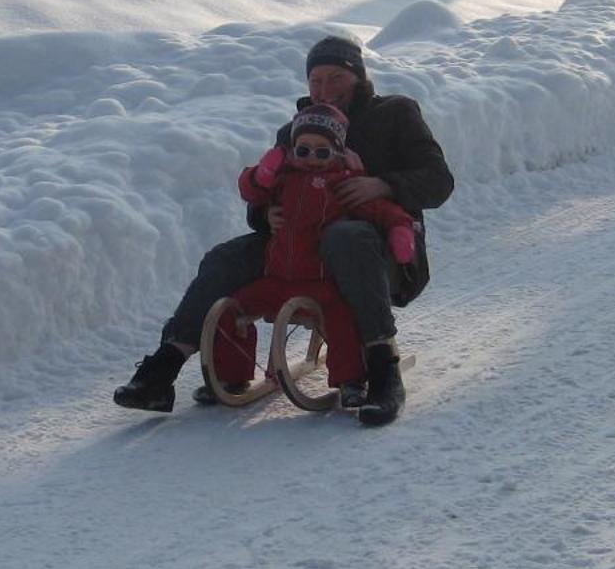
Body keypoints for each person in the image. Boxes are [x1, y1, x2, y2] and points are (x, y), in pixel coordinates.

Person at [113, 34, 455, 425]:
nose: (324, 89)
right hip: (300, 249)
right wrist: (266, 216)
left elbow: (438, 181)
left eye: (335, 78)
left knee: (345, 236)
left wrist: (384, 185)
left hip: (382, 253)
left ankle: (382, 368)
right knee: (227, 257)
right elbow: (266, 193)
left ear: (357, 78)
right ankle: (164, 367)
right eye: (316, 81)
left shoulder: (395, 113)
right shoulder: (296, 130)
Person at [208, 104, 418, 404]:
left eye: (322, 152)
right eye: (303, 151)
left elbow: (382, 210)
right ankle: (232, 374)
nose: (312, 160)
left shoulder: (343, 184)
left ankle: (351, 381)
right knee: (231, 310)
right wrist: (265, 171)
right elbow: (251, 190)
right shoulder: (283, 180)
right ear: (291, 151)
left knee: (342, 320)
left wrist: (401, 229)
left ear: (337, 153)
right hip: (277, 280)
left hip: (319, 284)